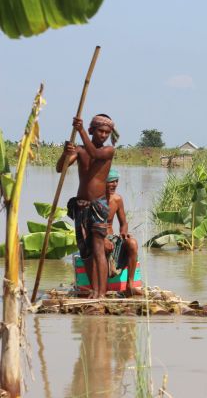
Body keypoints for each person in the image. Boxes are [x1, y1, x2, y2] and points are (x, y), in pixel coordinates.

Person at [58, 114, 118, 298]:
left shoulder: (108, 151)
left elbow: (95, 153)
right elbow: (61, 168)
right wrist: (66, 153)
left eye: (107, 132)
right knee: (86, 250)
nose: (104, 135)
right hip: (81, 206)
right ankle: (94, 289)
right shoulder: (80, 149)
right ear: (93, 130)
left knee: (99, 248)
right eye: (100, 131)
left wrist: (80, 129)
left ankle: (101, 293)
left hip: (98, 205)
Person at [105, 169, 142, 297]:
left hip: (112, 239)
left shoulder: (117, 199)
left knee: (132, 243)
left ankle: (129, 285)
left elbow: (123, 222)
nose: (114, 184)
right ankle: (101, 287)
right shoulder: (95, 199)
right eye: (110, 181)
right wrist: (102, 239)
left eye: (116, 181)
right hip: (98, 239)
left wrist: (123, 233)